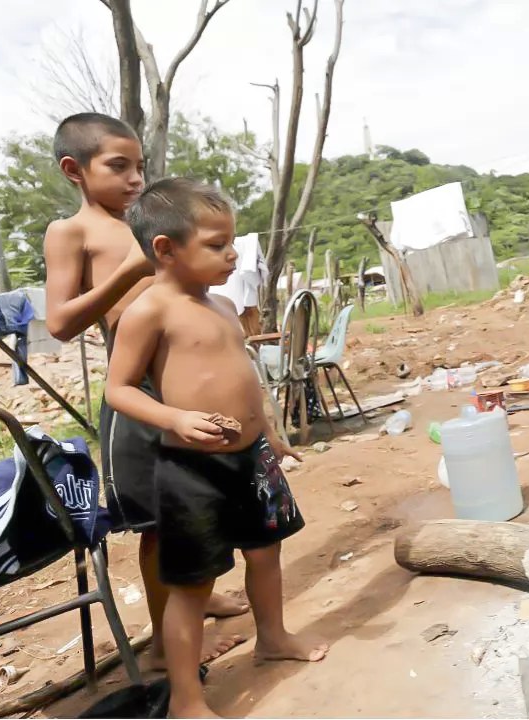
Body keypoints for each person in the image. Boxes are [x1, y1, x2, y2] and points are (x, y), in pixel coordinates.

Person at [108, 178, 327, 718]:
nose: (232, 254)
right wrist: (176, 417)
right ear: (165, 249)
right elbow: (119, 389)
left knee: (267, 552)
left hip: (251, 458)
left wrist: (270, 434)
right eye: (216, 244)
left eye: (231, 241)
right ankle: (186, 698)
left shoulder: (225, 305)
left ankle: (272, 636)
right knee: (192, 584)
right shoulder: (148, 311)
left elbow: (242, 376)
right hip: (191, 468)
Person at [42, 113, 248, 669]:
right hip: (138, 390)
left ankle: (198, 598)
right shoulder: (72, 232)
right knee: (160, 521)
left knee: (204, 501)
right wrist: (130, 272)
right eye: (118, 166)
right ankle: (163, 643)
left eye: (139, 166)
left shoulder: (152, 219)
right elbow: (59, 322)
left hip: (186, 379)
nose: (134, 177)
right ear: (74, 170)